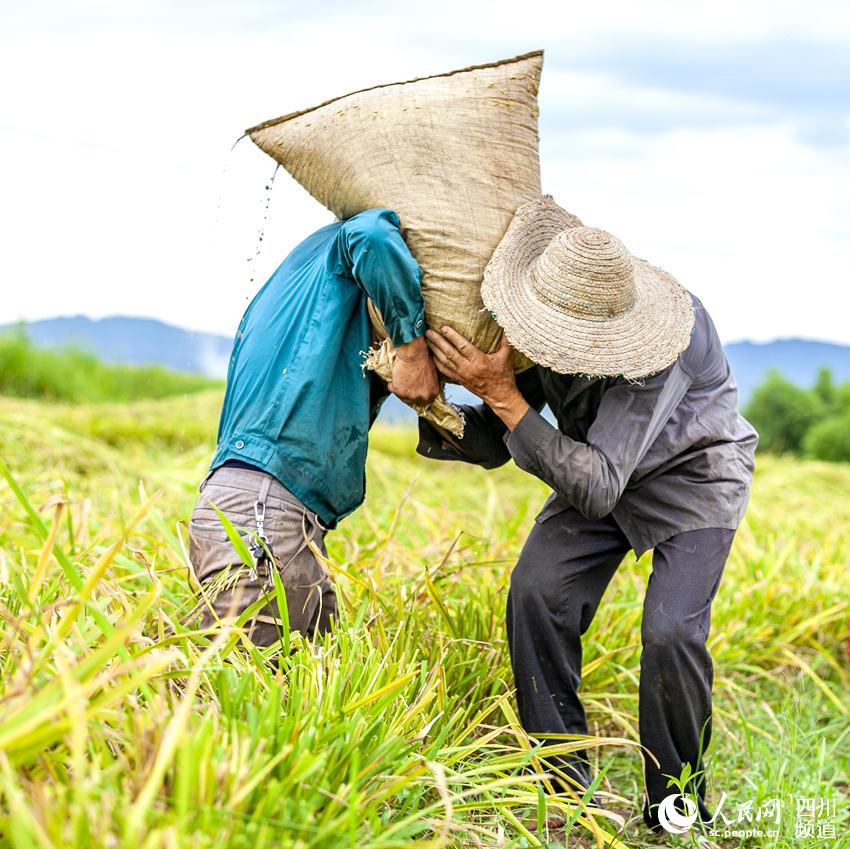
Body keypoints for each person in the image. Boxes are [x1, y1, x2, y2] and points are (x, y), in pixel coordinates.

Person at [418, 195, 758, 831]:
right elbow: (502, 436)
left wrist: (503, 396)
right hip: (598, 466)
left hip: (694, 477)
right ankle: (562, 785)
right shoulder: (545, 317)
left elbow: (597, 485)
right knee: (537, 591)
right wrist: (434, 402)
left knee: (672, 632)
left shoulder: (666, 339)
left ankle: (675, 811)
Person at [189, 208, 438, 647]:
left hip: (268, 511)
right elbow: (372, 234)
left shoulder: (300, 276)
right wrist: (412, 349)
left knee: (307, 682)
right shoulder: (347, 244)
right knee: (241, 697)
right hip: (263, 518)